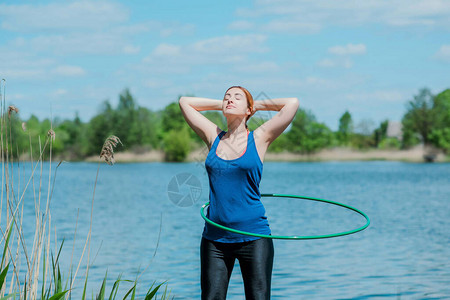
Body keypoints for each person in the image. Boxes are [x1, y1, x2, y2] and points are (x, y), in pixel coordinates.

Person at [179, 86, 299, 300]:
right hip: (215, 239)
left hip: (254, 237)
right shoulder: (213, 136)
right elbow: (184, 102)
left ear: (249, 110)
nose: (230, 99)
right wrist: (224, 105)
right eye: (227, 97)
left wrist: (254, 106)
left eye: (237, 97)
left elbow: (292, 103)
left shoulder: (260, 138)